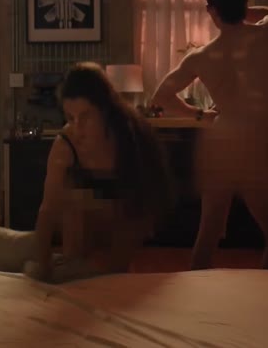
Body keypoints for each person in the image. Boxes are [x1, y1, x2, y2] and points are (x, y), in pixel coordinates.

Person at [150, 0, 268, 272]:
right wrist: (241, 9)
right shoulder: (267, 33)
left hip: (220, 145)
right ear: (243, 5)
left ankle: (199, 296)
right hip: (252, 148)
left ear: (211, 10)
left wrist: (199, 115)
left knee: (210, 233)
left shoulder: (202, 56)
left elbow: (160, 97)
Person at [25, 61, 174, 282]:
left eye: (85, 117)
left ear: (105, 111)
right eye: (70, 118)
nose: (78, 128)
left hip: (125, 209)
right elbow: (48, 208)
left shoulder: (130, 135)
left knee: (113, 274)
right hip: (80, 220)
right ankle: (75, 269)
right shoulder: (66, 144)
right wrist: (42, 262)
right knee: (75, 206)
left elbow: (150, 196)